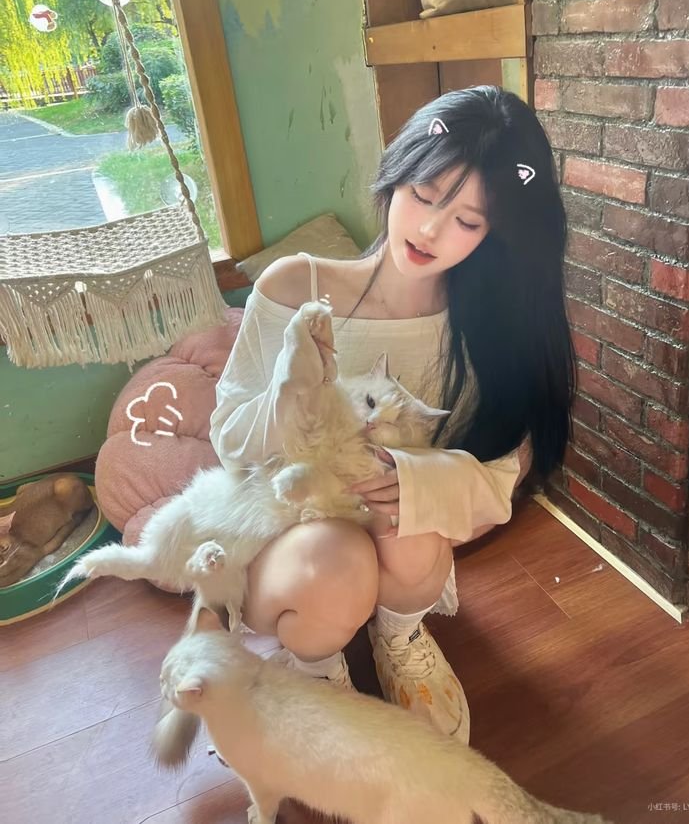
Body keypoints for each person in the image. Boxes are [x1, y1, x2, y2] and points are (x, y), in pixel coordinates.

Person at [210, 85, 576, 744]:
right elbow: (229, 439)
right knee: (336, 560)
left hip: (403, 550)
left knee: (413, 512)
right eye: (424, 194)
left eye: (468, 221)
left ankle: (397, 634)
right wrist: (290, 393)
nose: (431, 230)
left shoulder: (488, 328)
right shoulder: (294, 285)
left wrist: (419, 484)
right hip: (289, 533)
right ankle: (316, 668)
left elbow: (499, 473)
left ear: (495, 233)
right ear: (396, 174)